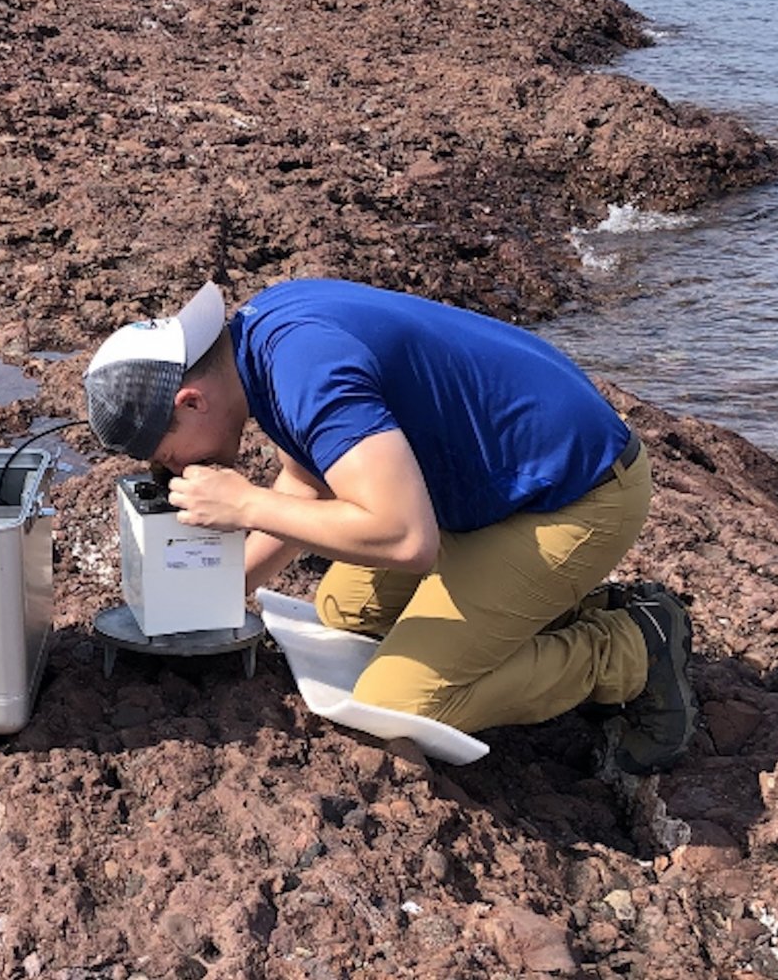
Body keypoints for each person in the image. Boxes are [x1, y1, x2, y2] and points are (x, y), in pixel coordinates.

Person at [83, 278, 697, 773]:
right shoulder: (256, 342)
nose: (172, 469)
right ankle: (548, 604)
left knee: (397, 704)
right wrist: (214, 595)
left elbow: (405, 539)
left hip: (574, 496)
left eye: (165, 453)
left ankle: (632, 646)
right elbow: (306, 484)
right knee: (344, 607)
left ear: (191, 401)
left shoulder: (308, 372)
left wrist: (245, 505)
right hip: (489, 493)